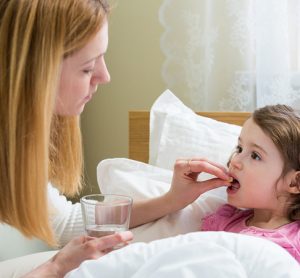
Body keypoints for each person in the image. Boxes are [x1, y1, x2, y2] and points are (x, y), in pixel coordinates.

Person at [0, 0, 231, 276]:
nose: (105, 76)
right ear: (34, 71)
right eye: (87, 68)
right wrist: (55, 268)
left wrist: (171, 200)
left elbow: (62, 224)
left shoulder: (16, 141)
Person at [192, 104, 300, 262]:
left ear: (295, 183)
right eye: (239, 148)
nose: (235, 161)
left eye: (255, 156)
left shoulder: (294, 243)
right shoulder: (224, 223)